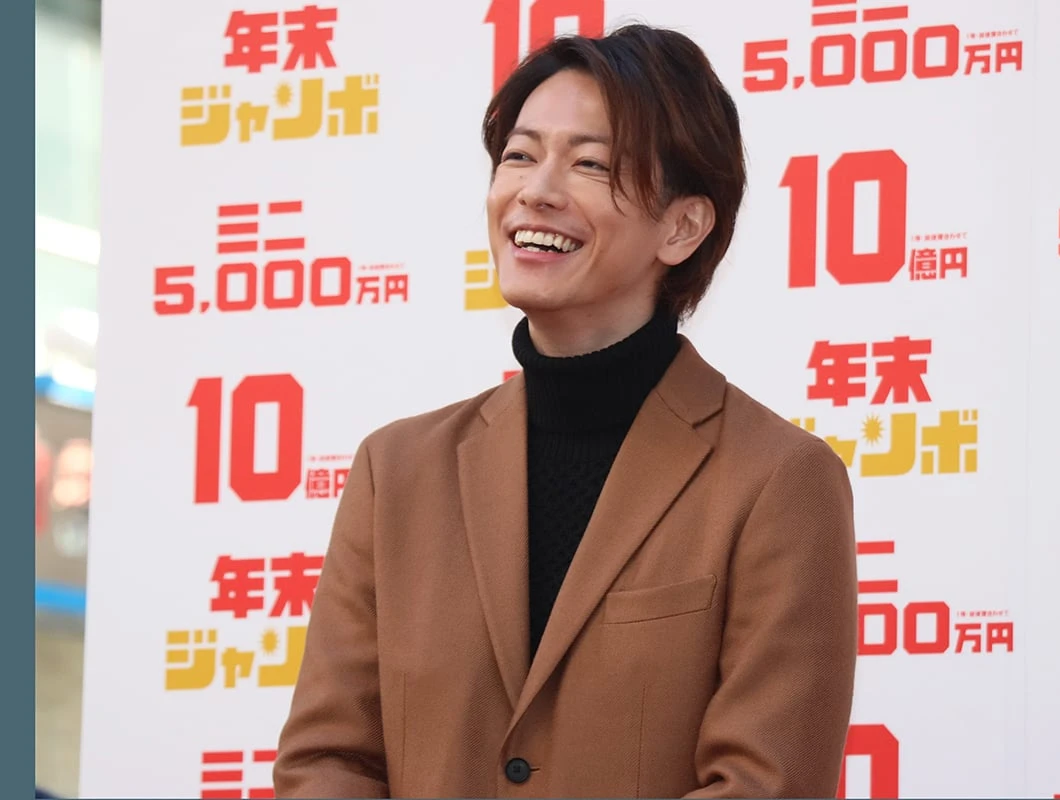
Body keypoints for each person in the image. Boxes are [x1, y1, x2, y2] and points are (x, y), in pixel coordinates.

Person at [274, 23, 858, 799]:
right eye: (519, 155)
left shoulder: (778, 480)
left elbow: (765, 783)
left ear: (683, 225)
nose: (536, 191)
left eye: (590, 164)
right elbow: (329, 761)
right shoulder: (398, 471)